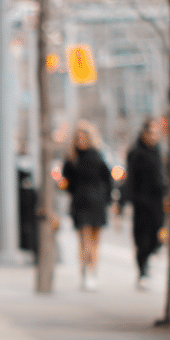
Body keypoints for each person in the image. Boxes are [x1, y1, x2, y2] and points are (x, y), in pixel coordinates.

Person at [60, 122, 112, 291]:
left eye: (83, 138)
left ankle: (92, 271)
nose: (80, 141)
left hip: (97, 203)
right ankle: (86, 271)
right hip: (81, 203)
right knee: (84, 239)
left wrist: (108, 199)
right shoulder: (71, 159)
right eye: (78, 138)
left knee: (94, 241)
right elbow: (66, 182)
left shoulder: (97, 156)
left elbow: (107, 179)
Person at [126, 119, 166, 291]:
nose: (154, 136)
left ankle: (149, 257)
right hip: (141, 201)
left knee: (158, 235)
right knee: (142, 238)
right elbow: (131, 179)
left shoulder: (159, 151)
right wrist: (126, 202)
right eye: (152, 132)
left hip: (158, 201)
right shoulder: (136, 153)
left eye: (157, 133)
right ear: (144, 133)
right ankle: (142, 270)